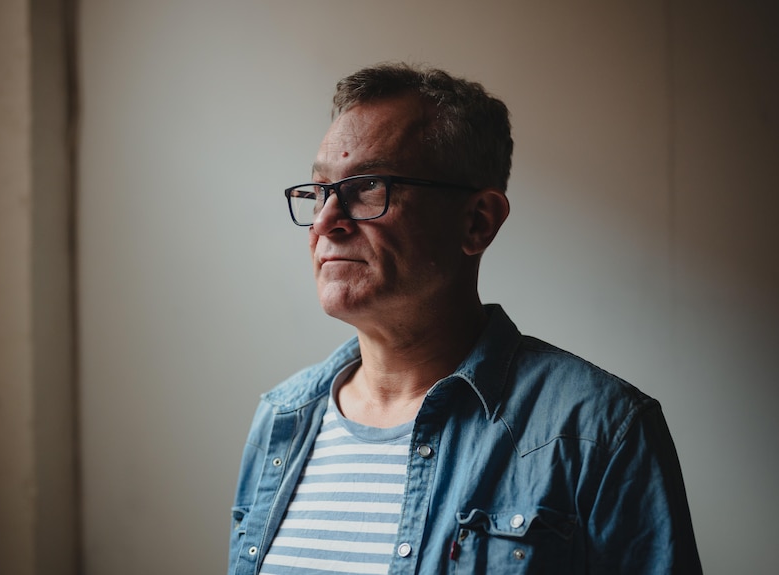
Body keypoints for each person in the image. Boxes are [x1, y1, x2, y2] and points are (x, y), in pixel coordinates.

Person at [228, 62, 701, 574]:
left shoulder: (599, 432)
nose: (325, 222)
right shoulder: (281, 419)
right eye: (319, 190)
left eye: (367, 186)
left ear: (477, 222)